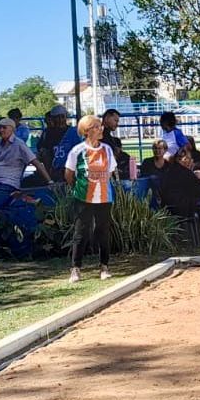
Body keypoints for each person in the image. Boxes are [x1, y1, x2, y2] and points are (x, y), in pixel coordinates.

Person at [0, 117, 51, 259]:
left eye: (4, 127)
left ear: (12, 129)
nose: (1, 130)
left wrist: (49, 181)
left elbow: (36, 162)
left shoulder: (19, 145)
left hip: (8, 184)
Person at [62, 114, 117, 282]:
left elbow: (111, 170)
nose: (100, 129)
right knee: (81, 233)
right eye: (96, 127)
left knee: (103, 231)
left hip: (104, 197)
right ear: (87, 131)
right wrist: (79, 188)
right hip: (83, 197)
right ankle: (76, 269)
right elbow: (69, 174)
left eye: (100, 126)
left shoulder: (107, 149)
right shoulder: (77, 150)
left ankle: (104, 267)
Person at [159, 147, 200, 242]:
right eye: (189, 159)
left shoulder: (169, 171)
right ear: (182, 160)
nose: (191, 161)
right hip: (183, 206)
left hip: (167, 206)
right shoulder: (185, 173)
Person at [39, 105, 79, 175]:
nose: (60, 120)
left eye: (62, 117)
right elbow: (43, 149)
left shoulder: (73, 132)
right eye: (57, 117)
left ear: (66, 117)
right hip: (55, 167)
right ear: (53, 119)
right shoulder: (48, 133)